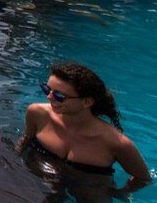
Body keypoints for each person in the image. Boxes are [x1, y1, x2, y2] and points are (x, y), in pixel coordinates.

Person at [17, 62, 150, 189]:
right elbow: (26, 140)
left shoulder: (116, 143)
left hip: (89, 190)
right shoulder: (37, 113)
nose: (49, 97)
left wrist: (122, 193)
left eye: (59, 95)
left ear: (87, 102)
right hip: (41, 176)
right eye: (47, 89)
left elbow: (143, 179)